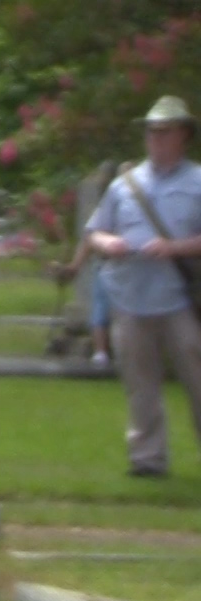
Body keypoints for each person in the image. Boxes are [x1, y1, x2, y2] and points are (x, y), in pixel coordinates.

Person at [84, 96, 201, 479]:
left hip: (180, 300)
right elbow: (95, 231)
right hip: (131, 299)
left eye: (164, 132)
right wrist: (109, 244)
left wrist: (175, 248)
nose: (155, 138)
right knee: (140, 385)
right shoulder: (124, 185)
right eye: (151, 131)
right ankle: (148, 459)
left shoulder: (197, 181)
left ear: (183, 135)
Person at [56, 231, 115, 368]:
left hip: (117, 265)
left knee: (104, 309)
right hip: (107, 265)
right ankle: (101, 352)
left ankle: (103, 352)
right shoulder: (106, 214)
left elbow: (89, 240)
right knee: (101, 309)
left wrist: (75, 266)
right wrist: (75, 266)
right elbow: (89, 239)